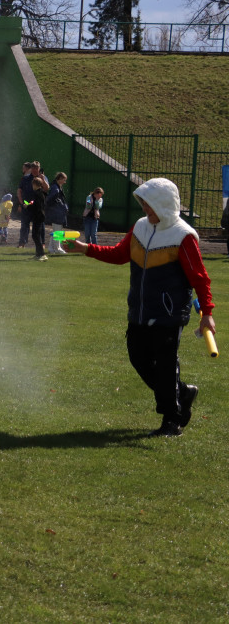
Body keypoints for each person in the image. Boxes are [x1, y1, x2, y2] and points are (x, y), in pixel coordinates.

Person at [70, 178, 215, 437]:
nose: (145, 209)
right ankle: (183, 392)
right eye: (144, 203)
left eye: (150, 204)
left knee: (166, 364)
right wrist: (85, 249)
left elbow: (199, 277)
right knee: (139, 358)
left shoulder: (183, 236)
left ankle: (172, 420)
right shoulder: (139, 227)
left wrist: (208, 313)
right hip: (140, 310)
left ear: (164, 204)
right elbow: (119, 254)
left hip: (169, 314)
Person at [16, 161, 49, 247]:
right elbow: (19, 191)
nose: (35, 170)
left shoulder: (42, 178)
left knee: (40, 226)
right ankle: (22, 242)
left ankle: (42, 243)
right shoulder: (25, 178)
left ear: (39, 169)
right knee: (24, 225)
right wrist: (21, 203)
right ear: (31, 169)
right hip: (27, 205)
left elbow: (47, 189)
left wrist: (43, 180)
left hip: (38, 207)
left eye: (36, 168)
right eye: (33, 168)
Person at [45, 171, 70, 254]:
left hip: (57, 212)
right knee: (57, 231)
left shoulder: (56, 187)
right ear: (60, 179)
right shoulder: (56, 188)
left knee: (56, 230)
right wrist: (61, 205)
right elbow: (51, 199)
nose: (65, 182)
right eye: (64, 180)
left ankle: (51, 248)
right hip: (56, 213)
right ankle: (57, 248)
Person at [28, 176, 48, 260]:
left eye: (33, 184)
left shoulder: (38, 194)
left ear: (35, 184)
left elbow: (37, 206)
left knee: (35, 235)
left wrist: (28, 206)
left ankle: (42, 254)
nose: (32, 186)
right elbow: (35, 203)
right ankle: (38, 254)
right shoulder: (41, 193)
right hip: (39, 216)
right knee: (36, 235)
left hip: (38, 216)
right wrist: (30, 204)